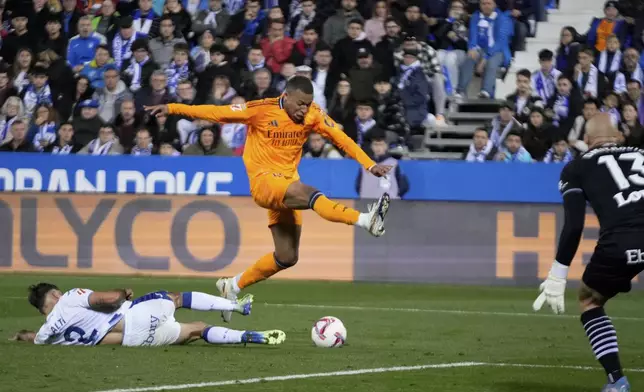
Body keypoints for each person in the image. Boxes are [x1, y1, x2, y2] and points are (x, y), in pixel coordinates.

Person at [145, 76, 392, 323]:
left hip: (286, 186)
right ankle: (364, 219)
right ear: (286, 96)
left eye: (308, 104)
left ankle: (232, 285)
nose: (304, 109)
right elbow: (215, 113)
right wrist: (172, 108)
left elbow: (341, 138)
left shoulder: (313, 114)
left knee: (287, 257)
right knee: (309, 193)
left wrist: (369, 165)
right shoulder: (261, 109)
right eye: (301, 104)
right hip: (265, 183)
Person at [533, 113, 640, 392]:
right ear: (618, 136)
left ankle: (617, 381)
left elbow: (574, 225)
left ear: (588, 141)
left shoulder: (576, 167)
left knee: (590, 300)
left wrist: (558, 273)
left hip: (621, 242)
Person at [10, 283, 285, 347]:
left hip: (134, 341)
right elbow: (107, 299)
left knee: (196, 329)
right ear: (55, 295)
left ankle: (247, 337)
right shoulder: (69, 298)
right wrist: (123, 293)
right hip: (133, 319)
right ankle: (236, 307)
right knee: (175, 299)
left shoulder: (45, 335)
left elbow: (31, 337)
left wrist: (20, 336)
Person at [457, 0, 513, 99]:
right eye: (483, 3)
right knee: (469, 58)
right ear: (480, 5)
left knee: (491, 63)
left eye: (489, 3)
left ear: (494, 4)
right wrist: (472, 48)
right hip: (480, 49)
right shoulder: (475, 17)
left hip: (498, 50)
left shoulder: (503, 19)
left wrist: (485, 58)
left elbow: (500, 43)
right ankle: (461, 91)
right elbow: (472, 36)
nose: (486, 6)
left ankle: (486, 91)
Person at [356, 129, 409, 199]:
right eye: (375, 145)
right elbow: (358, 186)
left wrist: (395, 196)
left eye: (381, 145)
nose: (378, 148)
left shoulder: (393, 163)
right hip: (367, 202)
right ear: (371, 146)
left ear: (386, 146)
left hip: (389, 203)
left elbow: (404, 185)